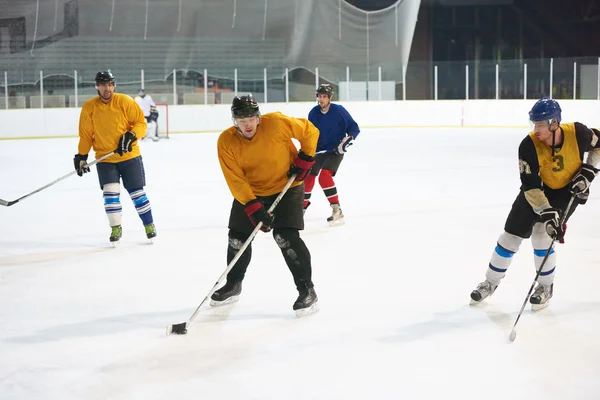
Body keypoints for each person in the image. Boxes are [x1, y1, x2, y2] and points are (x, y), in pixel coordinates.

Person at [470, 98, 600, 310]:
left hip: (565, 192)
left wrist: (588, 170)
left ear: (554, 123)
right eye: (534, 123)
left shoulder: (578, 133)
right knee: (509, 237)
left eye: (540, 124)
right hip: (536, 191)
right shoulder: (529, 144)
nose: (536, 129)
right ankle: (490, 283)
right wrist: (546, 211)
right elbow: (530, 186)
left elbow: (599, 145)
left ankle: (545, 287)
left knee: (542, 236)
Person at [214, 94, 320, 316]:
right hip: (252, 192)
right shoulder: (226, 141)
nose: (248, 124)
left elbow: (310, 131)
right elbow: (234, 178)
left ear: (258, 116)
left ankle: (307, 290)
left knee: (285, 237)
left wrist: (306, 157)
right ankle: (233, 284)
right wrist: (252, 206)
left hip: (287, 187)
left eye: (251, 118)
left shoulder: (276, 123)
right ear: (234, 120)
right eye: (242, 120)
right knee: (237, 238)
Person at [74, 71, 157, 245]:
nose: (107, 88)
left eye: (110, 84)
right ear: (97, 86)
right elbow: (86, 135)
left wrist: (132, 135)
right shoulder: (90, 107)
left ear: (114, 85)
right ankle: (116, 228)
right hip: (105, 159)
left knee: (137, 193)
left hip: (130, 156)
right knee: (110, 194)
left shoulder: (125, 101)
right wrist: (82, 156)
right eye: (103, 84)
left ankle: (149, 225)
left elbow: (141, 123)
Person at [305, 84, 360, 226]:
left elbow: (354, 128)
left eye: (324, 96)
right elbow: (309, 133)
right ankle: (301, 209)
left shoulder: (339, 111)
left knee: (324, 177)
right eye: (319, 96)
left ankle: (337, 210)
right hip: (318, 151)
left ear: (330, 98)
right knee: (308, 177)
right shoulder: (313, 113)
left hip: (335, 150)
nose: (321, 99)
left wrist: (348, 140)